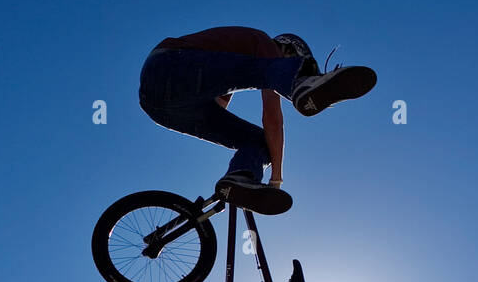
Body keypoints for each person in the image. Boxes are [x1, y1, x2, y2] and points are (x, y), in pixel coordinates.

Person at [137, 26, 376, 213]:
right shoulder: (263, 42)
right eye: (290, 60)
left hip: (160, 106)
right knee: (267, 74)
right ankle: (301, 82)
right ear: (287, 49)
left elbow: (218, 116)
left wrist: (261, 161)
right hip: (170, 64)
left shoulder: (222, 72)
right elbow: (272, 119)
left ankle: (241, 177)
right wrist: (276, 178)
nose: (279, 63)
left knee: (259, 142)